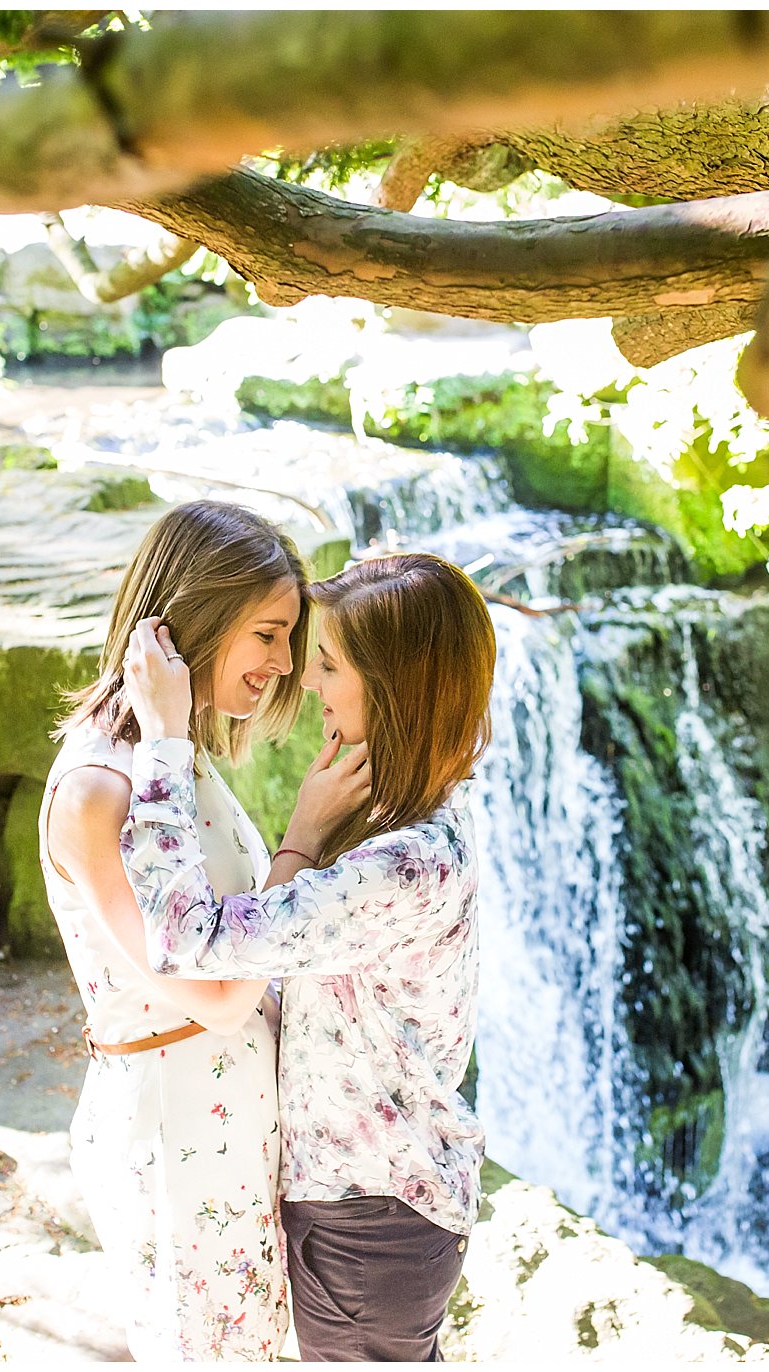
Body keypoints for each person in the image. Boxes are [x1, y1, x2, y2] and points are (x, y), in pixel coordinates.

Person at [119, 551, 495, 1362]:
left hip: (370, 1227)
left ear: (393, 686)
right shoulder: (415, 813)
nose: (310, 683)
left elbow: (192, 940)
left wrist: (164, 742)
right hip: (386, 1217)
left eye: (328, 664)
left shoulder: (400, 867)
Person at [37, 499, 309, 1361]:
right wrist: (305, 849)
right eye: (268, 634)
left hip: (227, 1130)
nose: (285, 661)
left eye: (290, 637)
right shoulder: (99, 790)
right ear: (196, 616)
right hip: (179, 1138)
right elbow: (216, 994)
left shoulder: (174, 757)